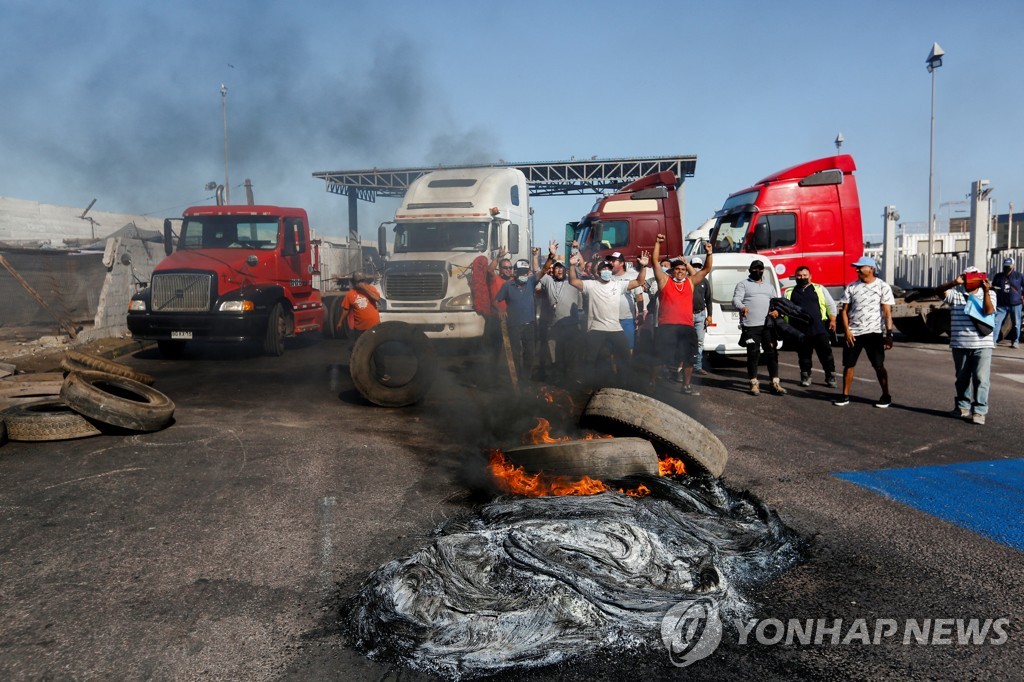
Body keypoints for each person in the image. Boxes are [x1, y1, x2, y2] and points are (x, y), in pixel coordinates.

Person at [568, 250, 649, 385]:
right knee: (590, 358)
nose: (607, 271)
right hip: (596, 328)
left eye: (609, 269)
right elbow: (573, 281)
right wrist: (571, 266)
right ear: (598, 273)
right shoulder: (591, 284)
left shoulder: (618, 285)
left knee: (626, 357)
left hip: (615, 328)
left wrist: (644, 266)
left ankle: (625, 384)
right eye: (604, 269)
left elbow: (640, 281)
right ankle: (586, 384)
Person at [650, 235, 713, 394]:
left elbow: (706, 269)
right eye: (677, 269)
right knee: (660, 357)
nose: (680, 272)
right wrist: (658, 243)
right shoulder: (665, 281)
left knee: (689, 358)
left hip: (686, 326)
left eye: (683, 269)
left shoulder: (690, 282)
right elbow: (655, 261)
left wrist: (709, 253)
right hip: (667, 326)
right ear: (672, 270)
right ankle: (651, 383)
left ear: (686, 271)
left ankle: (686, 386)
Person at [936, 267, 996, 425]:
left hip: (983, 344)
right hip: (960, 343)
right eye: (966, 276)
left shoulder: (990, 294)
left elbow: (989, 311)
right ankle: (962, 407)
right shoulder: (956, 296)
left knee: (981, 379)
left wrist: (987, 291)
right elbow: (938, 291)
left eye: (973, 277)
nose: (969, 280)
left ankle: (980, 411)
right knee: (962, 378)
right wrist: (954, 283)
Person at [833, 256, 896, 407]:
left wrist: (889, 335)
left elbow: (887, 313)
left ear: (871, 268)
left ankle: (886, 395)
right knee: (848, 365)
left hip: (874, 333)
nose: (857, 269)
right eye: (856, 267)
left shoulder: (882, 286)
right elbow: (844, 311)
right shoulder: (852, 287)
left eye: (860, 267)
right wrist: (847, 331)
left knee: (878, 365)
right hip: (854, 333)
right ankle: (845, 395)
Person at [733, 260, 786, 396]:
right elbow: (736, 300)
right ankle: (753, 383)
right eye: (755, 269)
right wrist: (742, 307)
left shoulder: (769, 287)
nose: (758, 271)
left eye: (760, 269)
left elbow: (776, 303)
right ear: (750, 270)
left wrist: (777, 311)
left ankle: (775, 383)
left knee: (772, 354)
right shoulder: (743, 285)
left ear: (763, 270)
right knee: (753, 354)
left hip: (768, 326)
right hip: (751, 326)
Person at [784, 265, 838, 388]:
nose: (802, 277)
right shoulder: (789, 292)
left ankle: (830, 377)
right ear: (795, 277)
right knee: (804, 356)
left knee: (826, 355)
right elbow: (784, 308)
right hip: (800, 331)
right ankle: (805, 376)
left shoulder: (819, 288)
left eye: (804, 275)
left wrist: (833, 320)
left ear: (810, 276)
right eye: (799, 275)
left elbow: (830, 305)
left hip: (819, 328)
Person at [536, 242, 583, 383]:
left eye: (562, 268)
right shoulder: (549, 281)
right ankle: (558, 378)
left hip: (572, 325)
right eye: (556, 268)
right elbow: (538, 271)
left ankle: (572, 380)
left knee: (571, 354)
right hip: (554, 325)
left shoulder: (572, 282)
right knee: (556, 354)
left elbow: (580, 267)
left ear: (566, 270)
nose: (559, 271)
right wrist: (540, 255)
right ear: (553, 271)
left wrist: (576, 250)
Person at [495, 258, 539, 381]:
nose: (524, 275)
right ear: (515, 273)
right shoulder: (508, 285)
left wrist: (551, 256)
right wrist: (500, 309)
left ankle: (526, 378)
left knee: (530, 353)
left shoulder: (530, 282)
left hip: (529, 324)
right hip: (513, 325)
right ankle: (517, 378)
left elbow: (543, 271)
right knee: (515, 353)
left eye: (526, 272)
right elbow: (496, 300)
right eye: (521, 272)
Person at [607, 251, 643, 352]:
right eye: (610, 261)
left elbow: (639, 296)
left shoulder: (632, 277)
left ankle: (627, 367)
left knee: (628, 347)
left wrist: (640, 313)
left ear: (622, 263)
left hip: (627, 319)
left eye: (614, 261)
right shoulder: (607, 278)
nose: (611, 263)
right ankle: (613, 368)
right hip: (611, 319)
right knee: (612, 349)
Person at [337, 272, 381, 341]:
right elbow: (346, 310)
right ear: (354, 283)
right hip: (360, 328)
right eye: (358, 282)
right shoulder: (350, 294)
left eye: (362, 281)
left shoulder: (371, 289)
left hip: (374, 325)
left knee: (375, 344)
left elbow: (377, 298)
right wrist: (340, 322)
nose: (360, 283)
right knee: (361, 347)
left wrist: (365, 289)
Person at [992, 256, 1023, 348]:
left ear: (1013, 266)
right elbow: (993, 287)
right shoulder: (998, 276)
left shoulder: (1019, 276)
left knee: (1016, 323)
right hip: (1001, 304)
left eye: (1008, 266)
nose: (1006, 268)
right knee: (996, 322)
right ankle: (993, 341)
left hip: (1016, 304)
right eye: (1005, 266)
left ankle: (1015, 341)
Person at [689, 255, 713, 376]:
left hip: (700, 314)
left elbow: (708, 299)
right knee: (686, 342)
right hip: (687, 314)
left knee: (699, 342)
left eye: (699, 266)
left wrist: (710, 316)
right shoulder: (687, 280)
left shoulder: (705, 281)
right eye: (695, 266)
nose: (697, 268)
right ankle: (684, 366)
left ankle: (697, 366)